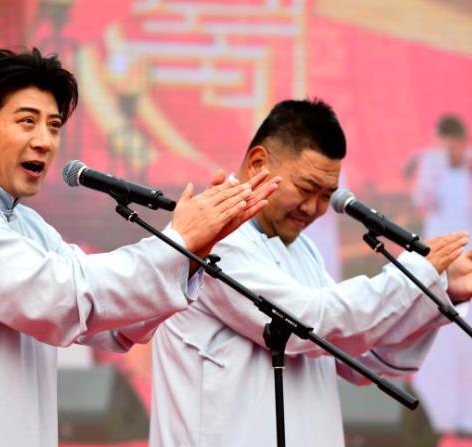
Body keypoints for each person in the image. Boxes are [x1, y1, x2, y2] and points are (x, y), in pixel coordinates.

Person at [0, 48, 279, 447]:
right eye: (27, 122)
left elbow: (112, 323)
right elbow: (61, 298)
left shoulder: (26, 225)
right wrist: (179, 242)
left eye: (53, 126)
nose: (45, 141)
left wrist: (193, 251)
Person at [149, 99, 472, 447]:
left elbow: (358, 352)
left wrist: (439, 292)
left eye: (326, 196)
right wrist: (415, 275)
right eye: (305, 189)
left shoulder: (303, 249)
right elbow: (309, 322)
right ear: (258, 163)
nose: (313, 208)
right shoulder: (212, 236)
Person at [410, 115, 472, 445]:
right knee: (438, 349)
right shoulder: (433, 165)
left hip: (469, 273)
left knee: (466, 346)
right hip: (438, 269)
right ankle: (440, 418)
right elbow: (423, 199)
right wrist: (434, 164)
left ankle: (466, 418)